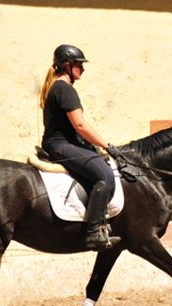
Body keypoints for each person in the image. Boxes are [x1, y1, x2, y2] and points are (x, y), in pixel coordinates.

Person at [39, 44, 122, 248]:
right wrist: (107, 145)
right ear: (67, 66)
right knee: (105, 176)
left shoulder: (57, 88)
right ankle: (94, 232)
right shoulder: (65, 90)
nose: (82, 69)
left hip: (59, 143)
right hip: (62, 144)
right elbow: (80, 125)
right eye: (79, 65)